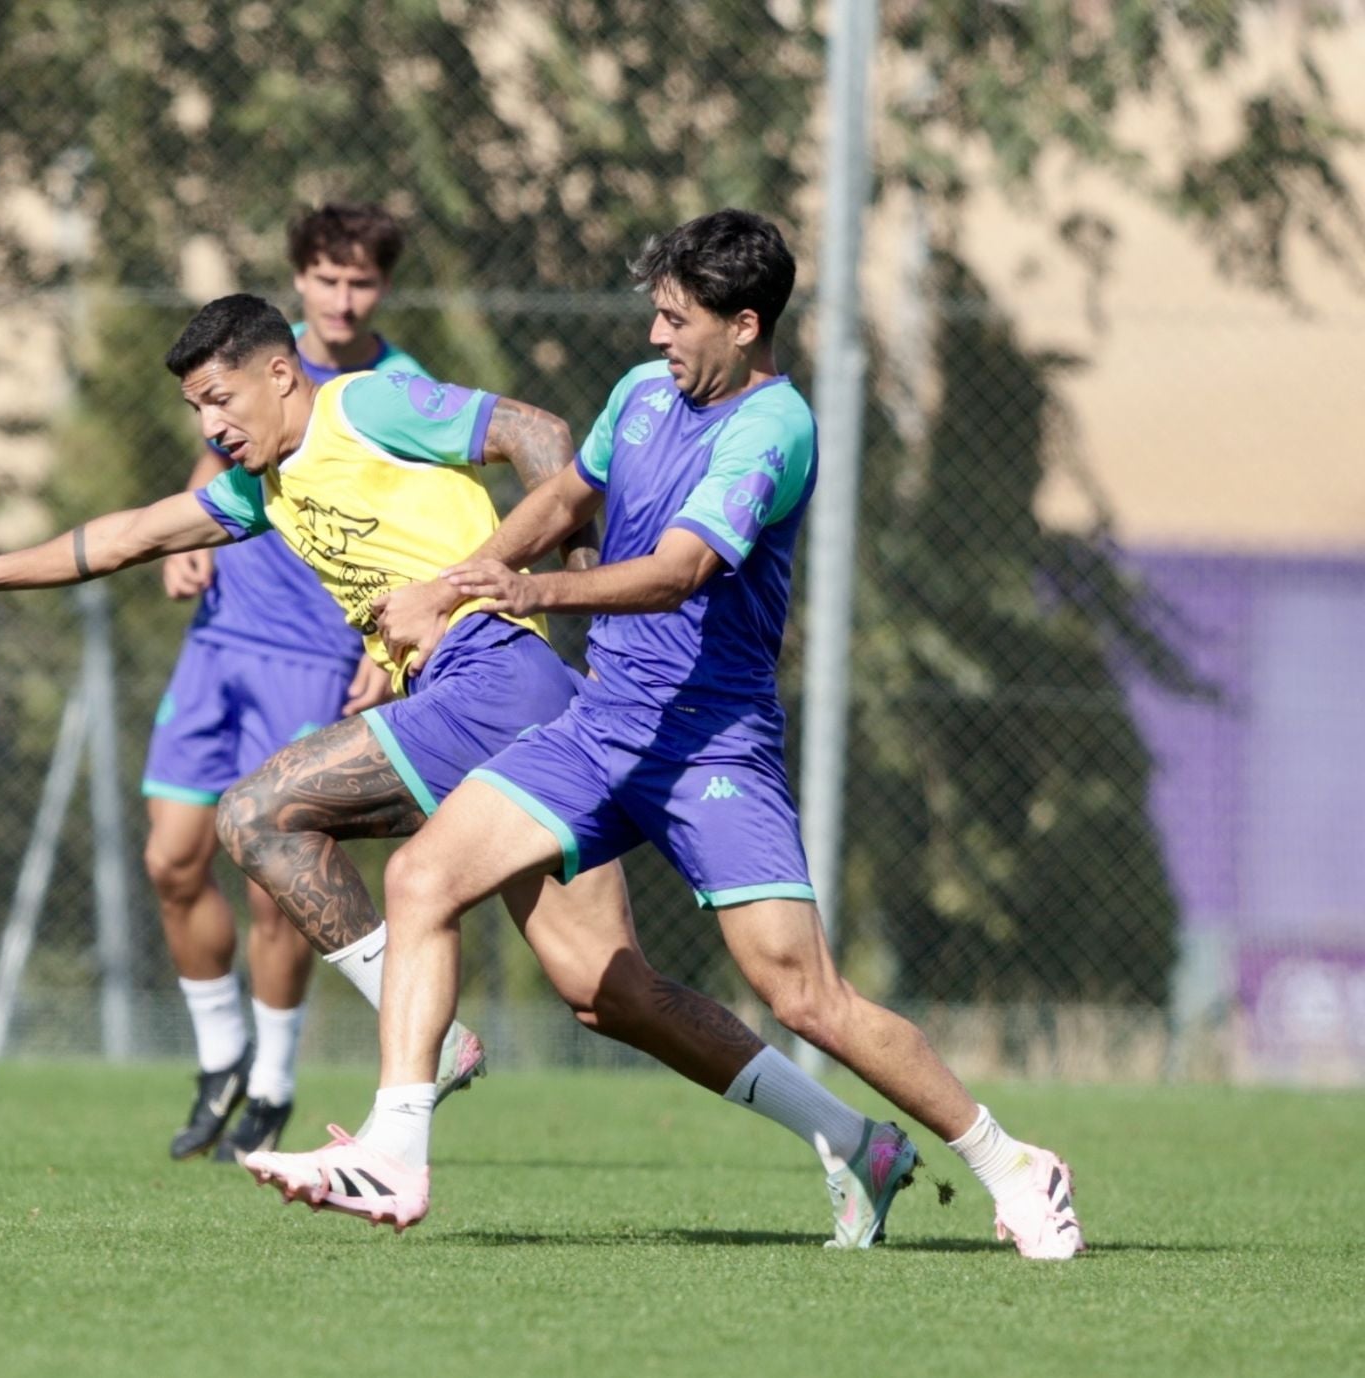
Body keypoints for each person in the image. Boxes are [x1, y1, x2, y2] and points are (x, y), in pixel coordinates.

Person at [0, 293, 924, 1249]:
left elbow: (537, 434)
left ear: (281, 375)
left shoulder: (367, 406)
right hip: (493, 705)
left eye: (220, 398)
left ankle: (425, 1063)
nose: (210, 427)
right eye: (195, 408)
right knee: (612, 994)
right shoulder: (264, 489)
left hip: (496, 675)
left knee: (257, 814)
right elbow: (125, 536)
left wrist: (551, 571)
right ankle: (854, 1141)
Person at [248, 210, 1086, 1261]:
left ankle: (1013, 1161)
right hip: (599, 726)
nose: (655, 337)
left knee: (803, 994)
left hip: (710, 748)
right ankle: (396, 1151)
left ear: (744, 325)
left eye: (675, 319)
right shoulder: (644, 394)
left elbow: (680, 571)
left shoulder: (773, 431)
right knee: (427, 880)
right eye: (655, 313)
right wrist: (463, 586)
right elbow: (564, 492)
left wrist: (524, 587)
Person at [141, 204, 441, 1162]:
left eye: (361, 283)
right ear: (301, 281)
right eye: (327, 279)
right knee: (173, 859)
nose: (343, 299)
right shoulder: (251, 362)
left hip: (316, 652)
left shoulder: (395, 390)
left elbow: (424, 520)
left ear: (381, 290)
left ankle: (270, 1080)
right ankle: (219, 1055)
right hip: (221, 638)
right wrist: (180, 554)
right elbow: (214, 463)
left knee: (278, 881)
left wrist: (387, 642)